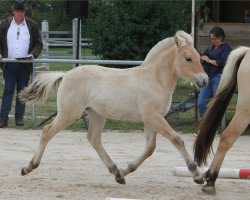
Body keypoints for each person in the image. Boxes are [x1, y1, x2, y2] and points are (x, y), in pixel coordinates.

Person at [0, 0, 43, 128]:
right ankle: (3, 118)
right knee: (8, 90)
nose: (20, 13)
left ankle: (19, 117)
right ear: (13, 11)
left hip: (25, 64)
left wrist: (32, 54)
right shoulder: (4, 24)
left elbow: (38, 43)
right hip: (9, 63)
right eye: (18, 11)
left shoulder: (32, 25)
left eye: (22, 11)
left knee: (22, 91)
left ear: (24, 12)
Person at [197, 27, 231, 119]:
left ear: (220, 37)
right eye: (211, 38)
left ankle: (214, 128)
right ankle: (205, 126)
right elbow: (203, 55)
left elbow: (223, 63)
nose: (212, 41)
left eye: (214, 38)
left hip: (218, 78)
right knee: (201, 103)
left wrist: (209, 60)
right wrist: (201, 58)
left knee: (216, 104)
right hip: (207, 78)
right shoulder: (210, 48)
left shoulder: (226, 48)